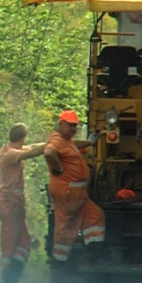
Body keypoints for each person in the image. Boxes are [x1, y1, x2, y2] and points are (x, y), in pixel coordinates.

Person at [44, 110, 105, 269]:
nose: (72, 129)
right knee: (66, 227)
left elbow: (73, 144)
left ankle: (94, 253)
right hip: (68, 193)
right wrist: (58, 168)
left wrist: (89, 142)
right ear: (61, 124)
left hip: (78, 195)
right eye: (70, 126)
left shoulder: (66, 140)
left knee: (95, 215)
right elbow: (49, 152)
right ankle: (60, 263)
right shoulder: (56, 139)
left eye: (75, 126)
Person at [0, 123, 46, 283]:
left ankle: (13, 281)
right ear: (23, 137)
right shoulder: (8, 154)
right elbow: (31, 153)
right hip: (9, 203)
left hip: (15, 204)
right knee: (9, 245)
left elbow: (32, 147)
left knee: (24, 243)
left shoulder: (13, 149)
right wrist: (54, 145)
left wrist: (54, 142)